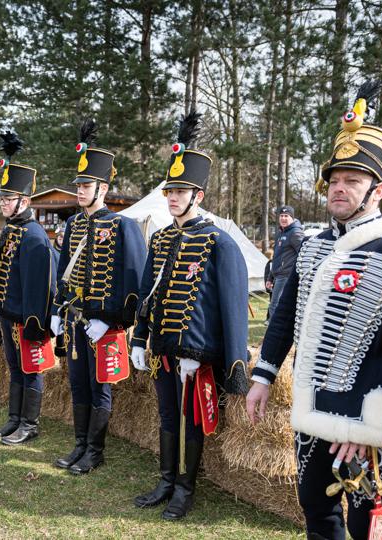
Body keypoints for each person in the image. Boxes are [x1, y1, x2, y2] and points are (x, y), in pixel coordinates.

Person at [246, 82, 382, 540]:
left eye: (353, 181)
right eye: (335, 181)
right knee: (315, 508)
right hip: (311, 412)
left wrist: (366, 427)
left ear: (377, 190)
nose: (339, 189)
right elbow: (284, 317)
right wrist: (263, 376)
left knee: (368, 524)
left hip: (370, 422)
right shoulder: (312, 247)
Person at [130, 110, 250, 520]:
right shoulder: (161, 238)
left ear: (198, 195)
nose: (172, 198)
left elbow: (230, 307)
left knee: (190, 420)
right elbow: (148, 294)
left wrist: (211, 356)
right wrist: (139, 338)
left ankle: (185, 489)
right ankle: (166, 480)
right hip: (163, 350)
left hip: (195, 356)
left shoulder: (219, 242)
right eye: (170, 191)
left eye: (180, 191)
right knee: (166, 415)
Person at [49, 120, 145, 474]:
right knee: (78, 385)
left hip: (105, 327)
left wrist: (110, 319)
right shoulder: (73, 225)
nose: (79, 190)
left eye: (86, 185)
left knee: (99, 387)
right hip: (76, 323)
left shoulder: (123, 226)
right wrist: (57, 310)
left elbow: (134, 283)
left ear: (102, 188)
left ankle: (95, 451)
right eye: (78, 185)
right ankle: (79, 445)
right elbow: (63, 273)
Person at [0, 131, 55, 445]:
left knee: (31, 369)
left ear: (24, 201)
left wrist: (34, 325)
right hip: (8, 314)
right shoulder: (12, 229)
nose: (3, 203)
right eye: (1, 198)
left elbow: (38, 287)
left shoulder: (34, 235)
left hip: (26, 319)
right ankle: (14, 419)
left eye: (8, 199)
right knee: (15, 368)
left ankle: (29, 424)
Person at [266, 205, 304, 320]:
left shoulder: (295, 233)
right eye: (281, 216)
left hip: (286, 276)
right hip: (278, 276)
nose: (283, 218)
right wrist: (270, 277)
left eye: (286, 216)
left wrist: (293, 272)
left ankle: (273, 330)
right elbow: (276, 257)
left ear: (292, 218)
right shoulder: (281, 233)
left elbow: (303, 253)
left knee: (275, 306)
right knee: (276, 305)